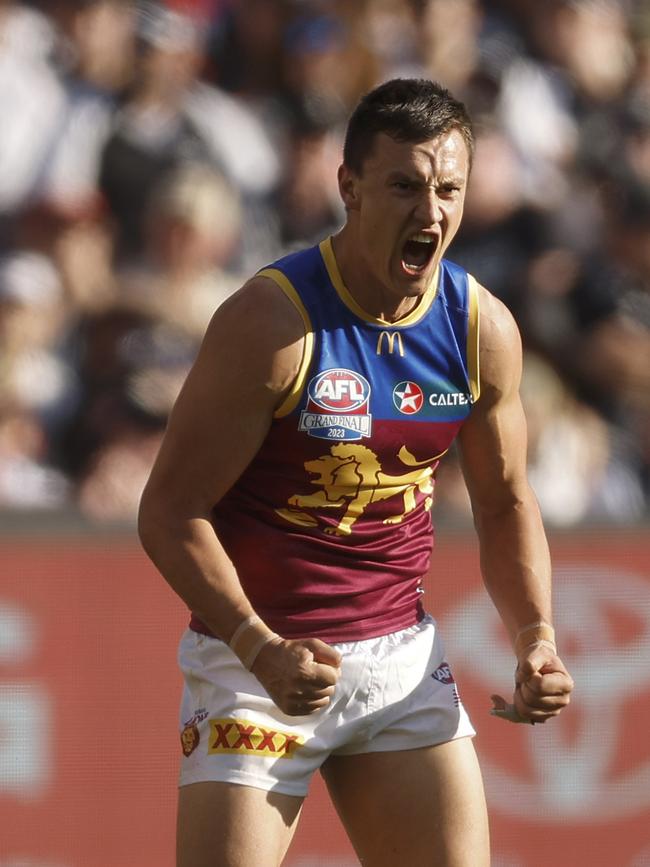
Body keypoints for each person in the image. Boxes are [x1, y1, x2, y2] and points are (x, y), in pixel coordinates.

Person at [138, 77, 574, 867]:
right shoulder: (271, 323)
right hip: (254, 667)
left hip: (398, 664)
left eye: (449, 189)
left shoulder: (479, 328)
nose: (432, 211)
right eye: (405, 186)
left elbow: (507, 501)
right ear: (349, 187)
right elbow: (168, 512)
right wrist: (259, 644)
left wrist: (536, 635)